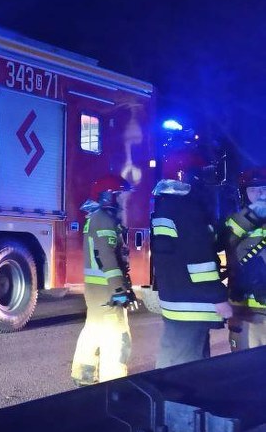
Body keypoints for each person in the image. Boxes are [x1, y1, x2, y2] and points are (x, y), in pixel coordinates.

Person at [151, 147, 232, 368]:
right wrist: (219, 298)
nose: (206, 182)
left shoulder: (166, 207)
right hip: (192, 304)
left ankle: (170, 401)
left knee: (176, 360)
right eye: (203, 174)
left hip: (175, 301)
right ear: (189, 176)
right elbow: (200, 261)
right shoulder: (188, 210)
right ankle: (177, 403)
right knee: (186, 370)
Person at [71, 174, 133, 386]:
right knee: (118, 338)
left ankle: (83, 375)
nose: (123, 200)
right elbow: (106, 255)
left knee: (93, 329)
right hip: (107, 291)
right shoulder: (105, 220)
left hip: (96, 291)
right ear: (109, 197)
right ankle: (113, 384)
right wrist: (119, 289)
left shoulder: (95, 218)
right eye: (120, 196)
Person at [220, 167, 266, 350]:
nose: (260, 194)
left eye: (264, 188)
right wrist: (253, 214)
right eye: (253, 189)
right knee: (240, 362)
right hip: (241, 306)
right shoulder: (235, 220)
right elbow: (227, 239)